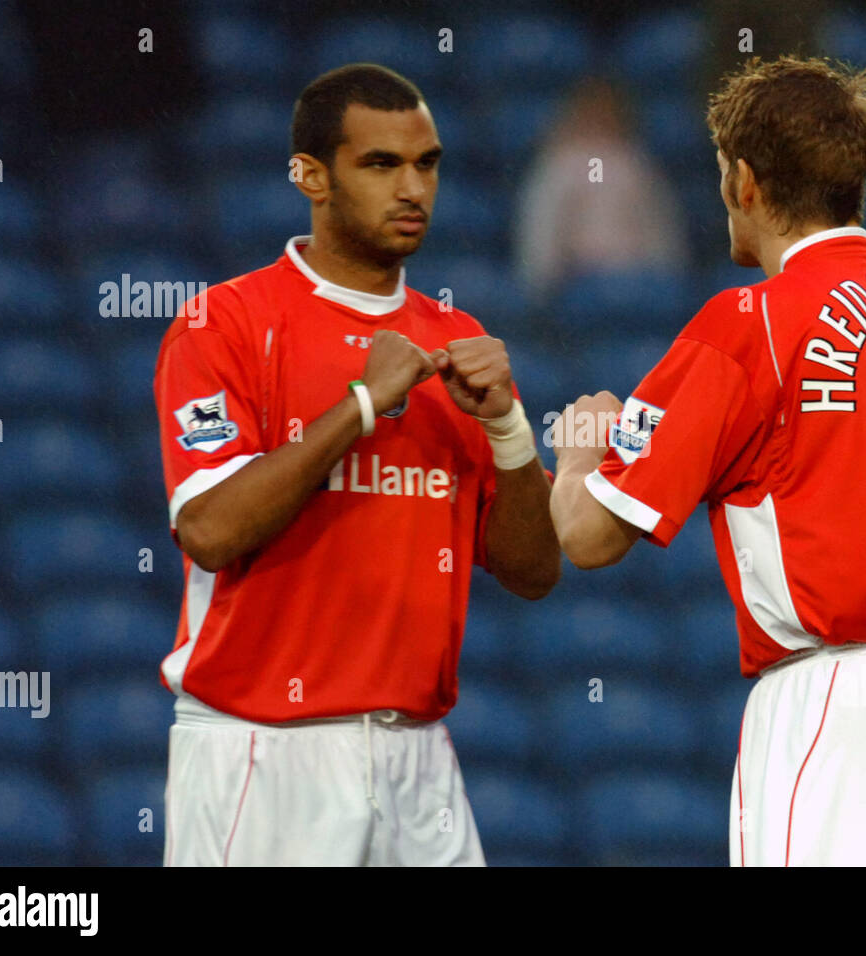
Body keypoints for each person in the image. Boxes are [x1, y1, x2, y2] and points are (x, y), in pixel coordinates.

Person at [548, 55, 866, 866]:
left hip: (839, 700)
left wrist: (579, 457)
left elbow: (592, 536)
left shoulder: (750, 320)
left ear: (745, 181)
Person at [152, 63, 559, 866]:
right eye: (380, 164)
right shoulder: (224, 323)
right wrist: (363, 408)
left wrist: (511, 432)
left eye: (427, 163)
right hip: (264, 754)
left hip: (419, 756)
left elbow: (533, 569)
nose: (413, 188)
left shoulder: (455, 338)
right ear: (311, 175)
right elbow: (208, 527)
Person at [513, 76, 689, 304]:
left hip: (637, 279)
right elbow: (542, 226)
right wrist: (541, 284)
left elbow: (659, 227)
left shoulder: (635, 163)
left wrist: (666, 282)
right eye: (593, 111)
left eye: (607, 111)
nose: (600, 118)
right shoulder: (559, 165)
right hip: (579, 282)